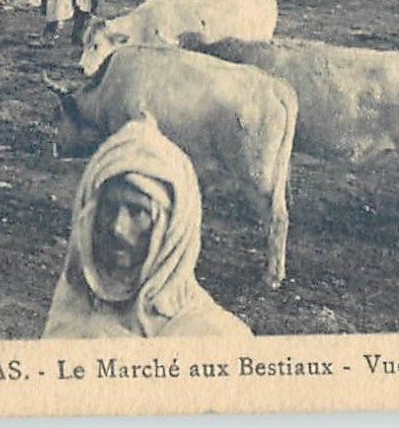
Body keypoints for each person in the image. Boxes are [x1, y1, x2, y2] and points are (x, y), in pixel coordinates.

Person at [43, 116, 251, 340]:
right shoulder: (72, 307)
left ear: (173, 228)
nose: (118, 228)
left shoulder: (213, 334)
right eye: (110, 208)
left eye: (137, 211)